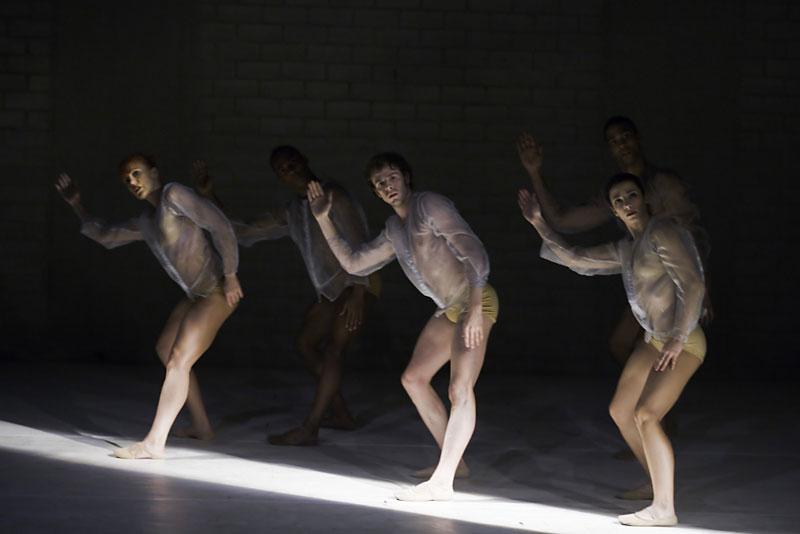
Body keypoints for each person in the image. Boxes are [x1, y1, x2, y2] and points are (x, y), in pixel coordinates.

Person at [519, 173, 706, 527]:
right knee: (622, 410)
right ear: (614, 211)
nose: (626, 203)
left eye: (631, 195)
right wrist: (539, 223)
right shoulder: (627, 248)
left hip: (682, 339)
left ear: (644, 199)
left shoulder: (663, 232)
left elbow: (693, 282)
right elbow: (576, 259)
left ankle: (664, 508)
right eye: (618, 200)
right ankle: (655, 483)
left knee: (646, 415)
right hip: (654, 339)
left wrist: (679, 337)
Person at [308, 152, 498, 501]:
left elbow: (475, 251)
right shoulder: (395, 229)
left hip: (476, 299)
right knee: (413, 379)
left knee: (460, 388)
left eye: (392, 177)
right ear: (376, 192)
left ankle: (442, 482)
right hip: (449, 308)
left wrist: (474, 308)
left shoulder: (430, 205)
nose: (387, 186)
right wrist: (324, 219)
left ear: (406, 177)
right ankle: (456, 463)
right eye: (379, 183)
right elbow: (355, 264)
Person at [55, 153, 243, 459]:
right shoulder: (146, 221)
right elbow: (106, 236)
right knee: (166, 349)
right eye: (126, 180)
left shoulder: (174, 194)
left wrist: (232, 274)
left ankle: (154, 443)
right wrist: (77, 205)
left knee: (178, 360)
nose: (132, 182)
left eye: (136, 173)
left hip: (218, 290)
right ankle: (202, 426)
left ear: (154, 173)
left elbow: (220, 225)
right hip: (195, 294)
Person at [195, 147, 379, 446]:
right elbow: (245, 231)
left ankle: (311, 427)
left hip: (359, 284)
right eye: (282, 168)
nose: (290, 169)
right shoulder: (293, 211)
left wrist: (359, 293)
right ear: (278, 176)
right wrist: (210, 197)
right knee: (305, 343)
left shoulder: (333, 195)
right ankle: (341, 414)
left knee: (334, 350)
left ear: (304, 160)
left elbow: (361, 242)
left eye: (292, 162)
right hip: (331, 290)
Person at [516, 117, 709, 368]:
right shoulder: (615, 199)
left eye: (625, 137)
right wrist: (534, 174)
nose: (621, 145)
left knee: (648, 343)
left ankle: (663, 384)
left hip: (676, 280)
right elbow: (565, 223)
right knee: (622, 343)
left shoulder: (664, 185)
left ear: (637, 138)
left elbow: (690, 234)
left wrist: (703, 288)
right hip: (647, 279)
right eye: (614, 142)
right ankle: (654, 384)